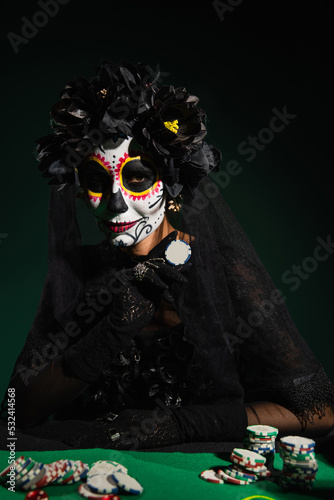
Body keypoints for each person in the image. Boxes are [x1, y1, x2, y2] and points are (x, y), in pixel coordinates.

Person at [1, 60, 334, 451]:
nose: (116, 203)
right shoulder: (81, 272)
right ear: (77, 189)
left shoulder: (222, 271)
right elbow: (14, 413)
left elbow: (319, 410)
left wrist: (181, 425)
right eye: (96, 181)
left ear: (171, 181)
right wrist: (111, 331)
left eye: (137, 177)